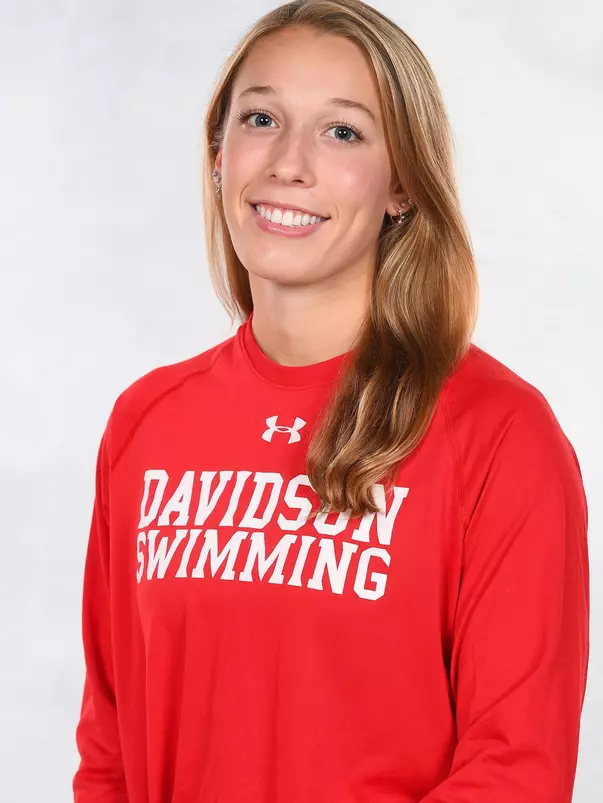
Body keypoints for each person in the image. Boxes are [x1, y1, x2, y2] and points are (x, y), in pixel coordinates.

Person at [72, 1, 590, 801]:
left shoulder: (498, 434)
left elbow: (513, 770)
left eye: (342, 131)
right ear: (219, 153)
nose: (288, 162)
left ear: (403, 186)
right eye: (260, 118)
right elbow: (110, 748)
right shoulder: (148, 420)